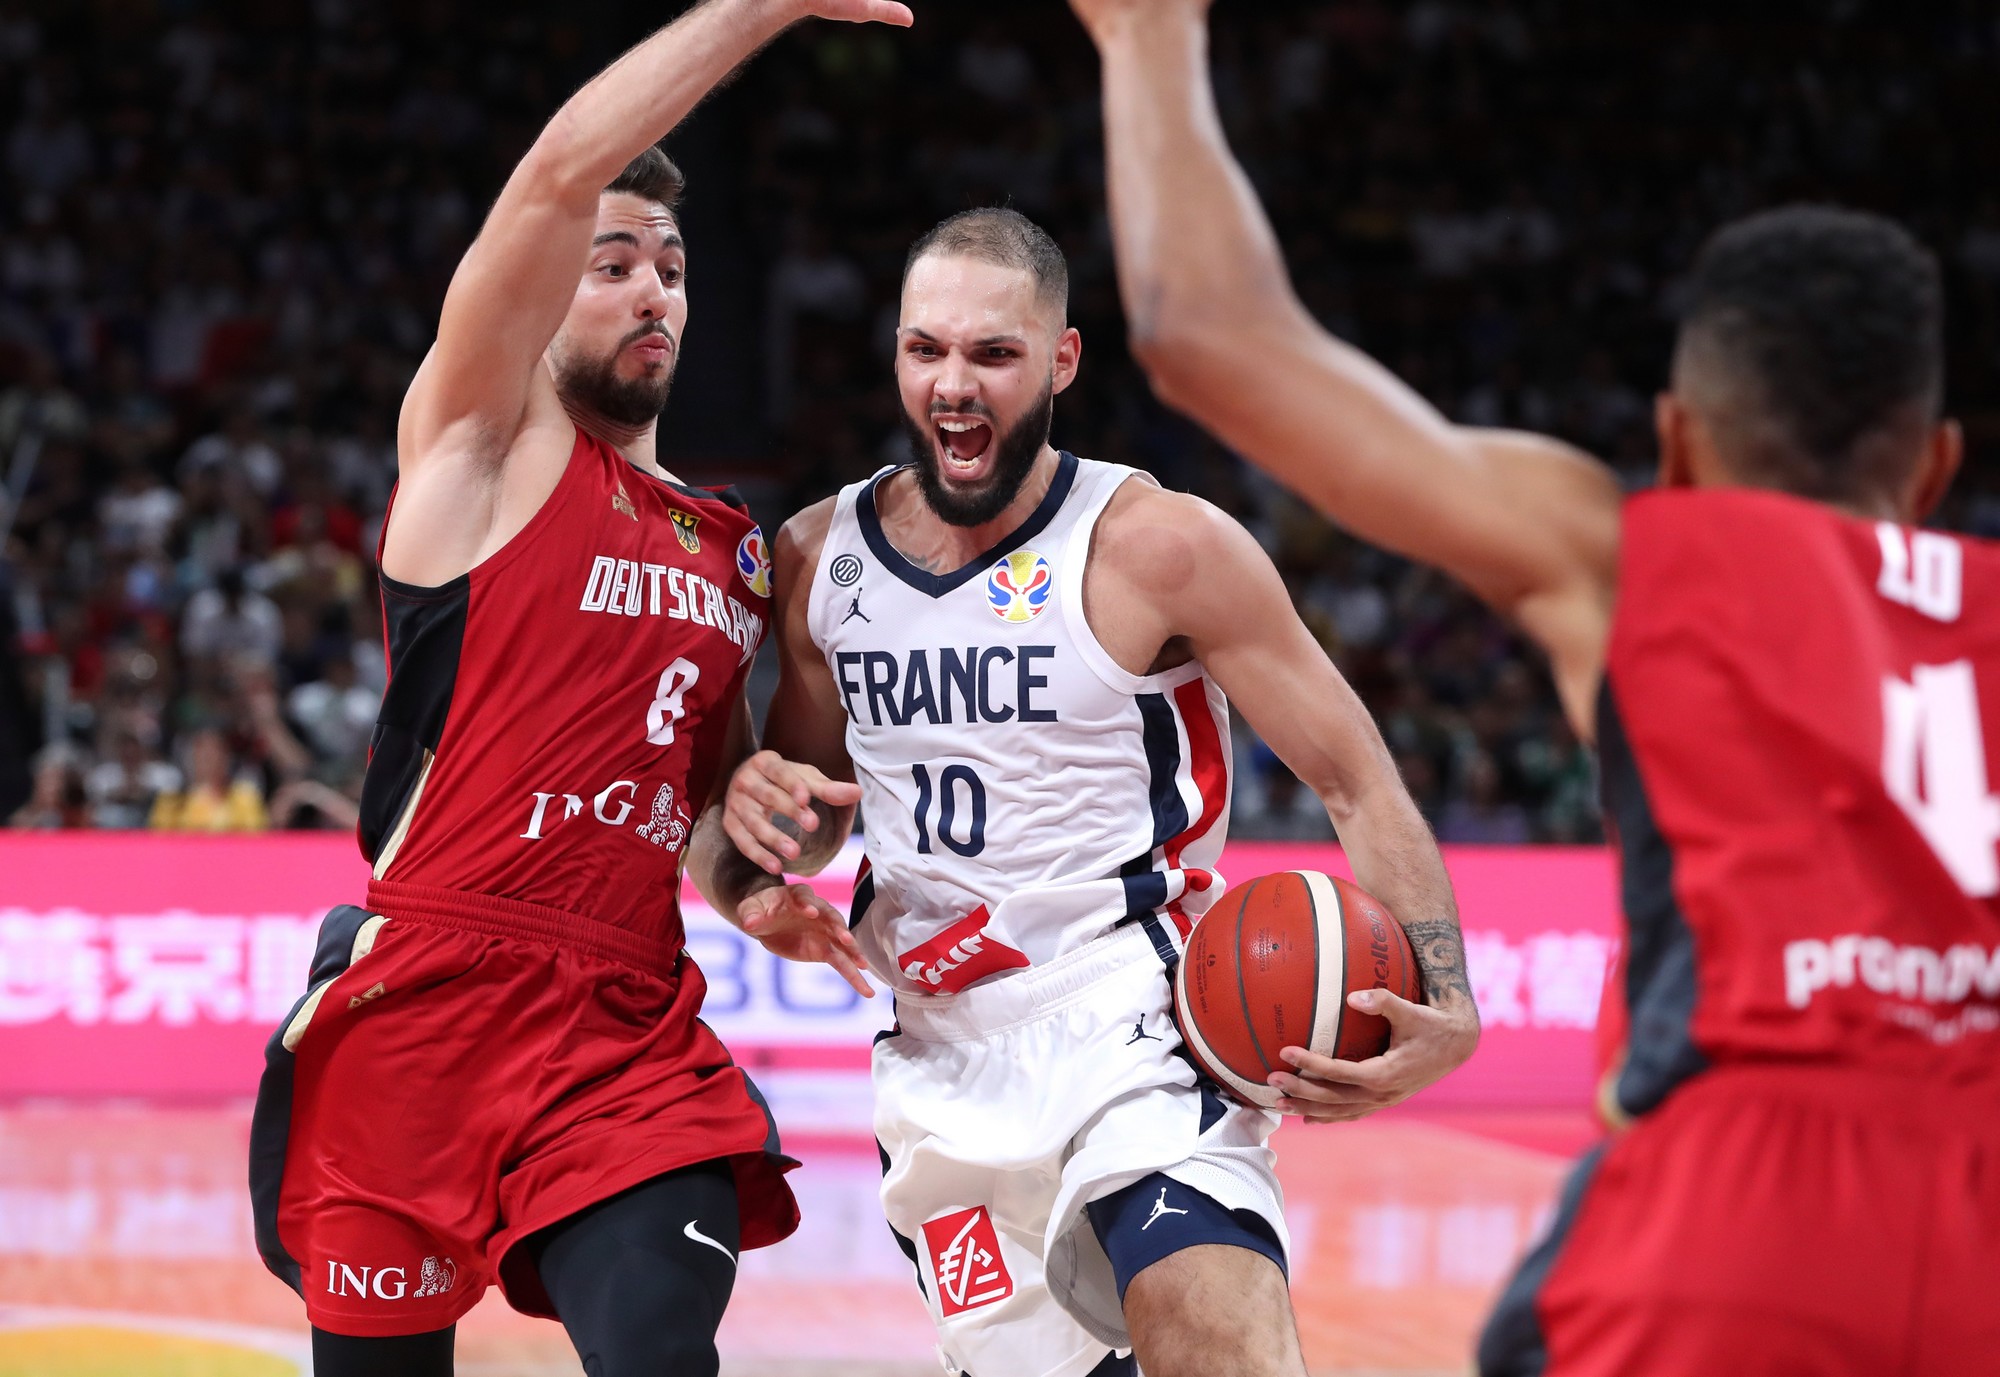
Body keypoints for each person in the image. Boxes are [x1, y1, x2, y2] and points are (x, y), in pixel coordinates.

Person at [1062, 2, 2000, 1374]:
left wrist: (1150, 36)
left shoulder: (1635, 550)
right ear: (1935, 471)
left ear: (1676, 440)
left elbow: (1212, 337)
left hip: (1735, 1210)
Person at [245, 3, 912, 1375]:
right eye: (611, 265)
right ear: (542, 290)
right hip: (423, 997)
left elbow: (709, 818)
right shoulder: (476, 449)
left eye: (671, 264)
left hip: (620, 1028)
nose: (651, 289)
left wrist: (759, 870)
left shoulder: (734, 552)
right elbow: (554, 177)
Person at [714, 207, 1480, 1377]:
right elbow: (804, 818)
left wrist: (1448, 998)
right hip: (938, 1056)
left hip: (1136, 1017)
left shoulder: (1161, 546)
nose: (953, 385)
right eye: (926, 351)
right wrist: (757, 836)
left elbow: (1354, 778)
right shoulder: (822, 558)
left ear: (1060, 360)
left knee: (1214, 1341)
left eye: (992, 354)